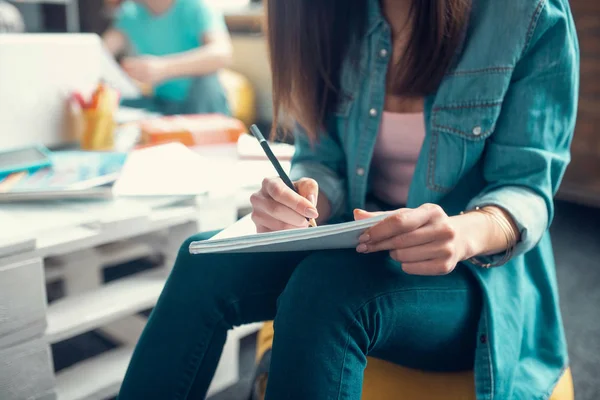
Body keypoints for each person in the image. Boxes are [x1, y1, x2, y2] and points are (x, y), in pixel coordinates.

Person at [117, 0, 579, 399]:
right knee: (202, 260)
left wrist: (463, 233)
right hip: (359, 243)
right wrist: (304, 196)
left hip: (473, 278)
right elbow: (321, 159)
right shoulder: (327, 17)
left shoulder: (525, 13)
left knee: (328, 288)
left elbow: (527, 188)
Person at [102, 0, 232, 115]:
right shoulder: (130, 13)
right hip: (163, 102)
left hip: (200, 102)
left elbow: (222, 53)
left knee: (206, 82)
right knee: (115, 103)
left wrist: (164, 68)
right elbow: (101, 51)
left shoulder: (195, 5)